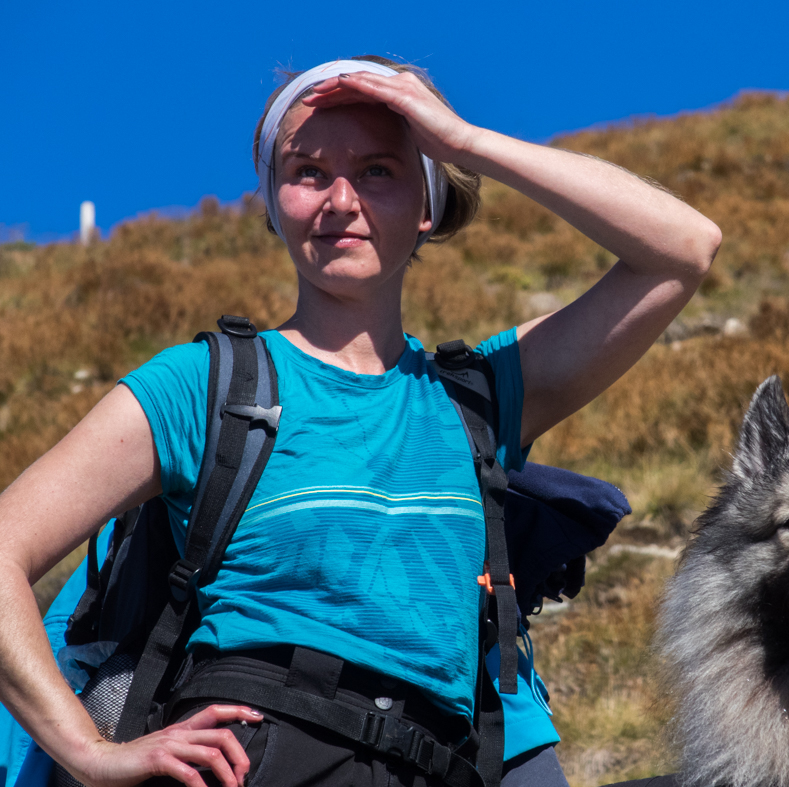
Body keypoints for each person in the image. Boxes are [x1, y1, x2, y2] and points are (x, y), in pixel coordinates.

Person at [0, 56, 721, 787]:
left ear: (427, 206)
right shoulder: (206, 385)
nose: (339, 200)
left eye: (378, 171)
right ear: (272, 203)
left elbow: (682, 249)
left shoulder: (481, 396)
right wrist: (89, 753)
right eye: (307, 172)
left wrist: (464, 142)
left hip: (444, 760)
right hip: (254, 755)